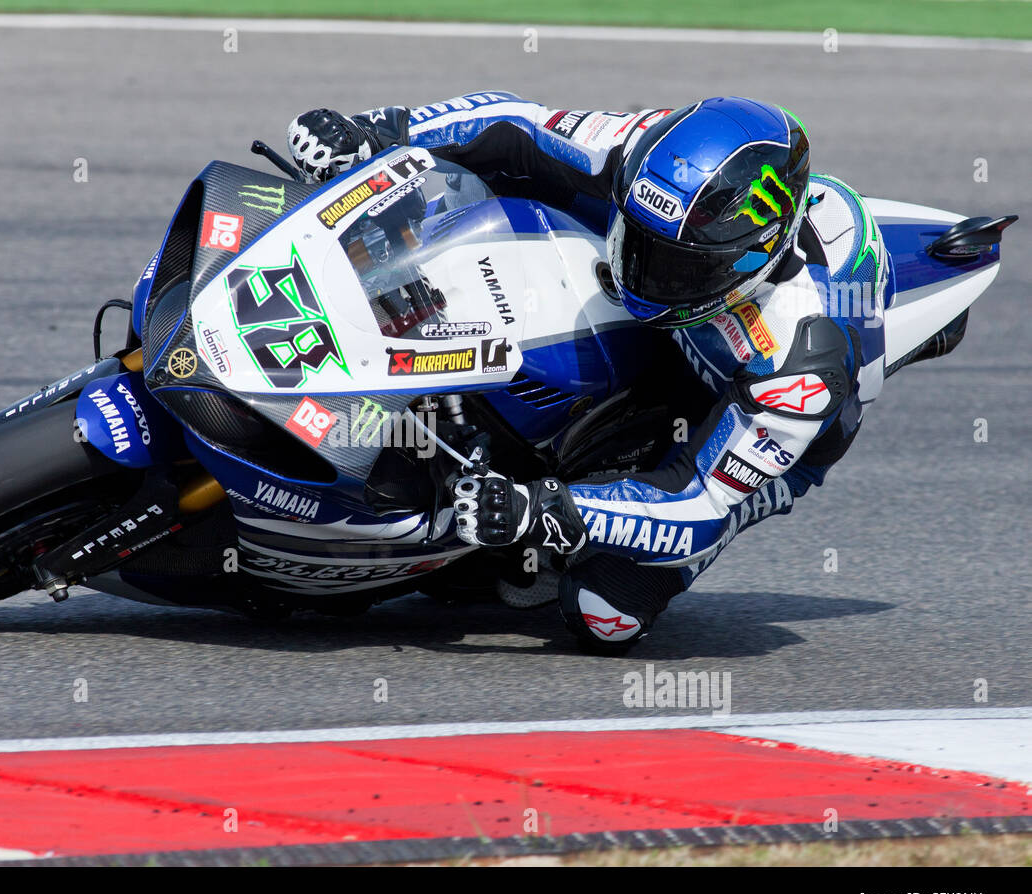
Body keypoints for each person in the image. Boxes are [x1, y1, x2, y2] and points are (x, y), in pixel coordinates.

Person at [287, 93, 888, 655]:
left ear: (754, 260)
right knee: (508, 180)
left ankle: (521, 553)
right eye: (639, 244)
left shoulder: (798, 362)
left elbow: (698, 505)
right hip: (686, 326)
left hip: (743, 418)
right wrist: (380, 132)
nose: (643, 275)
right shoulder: (650, 155)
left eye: (673, 267)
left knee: (606, 615)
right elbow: (516, 125)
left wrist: (541, 508)